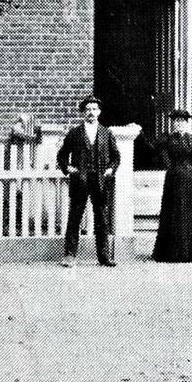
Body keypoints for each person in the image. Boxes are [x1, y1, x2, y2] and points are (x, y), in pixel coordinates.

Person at [57, 96, 120, 267]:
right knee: (74, 218)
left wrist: (110, 170)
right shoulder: (75, 133)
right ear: (83, 112)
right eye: (88, 109)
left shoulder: (107, 134)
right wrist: (68, 168)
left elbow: (116, 157)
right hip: (80, 181)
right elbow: (62, 155)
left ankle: (104, 256)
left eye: (94, 109)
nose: (91, 112)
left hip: (100, 182)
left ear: (99, 112)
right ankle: (70, 255)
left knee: (102, 219)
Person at [152, 109, 192, 262]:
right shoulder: (167, 139)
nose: (179, 124)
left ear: (187, 123)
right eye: (176, 121)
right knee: (175, 212)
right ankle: (174, 253)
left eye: (182, 121)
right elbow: (155, 151)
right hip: (175, 180)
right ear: (173, 123)